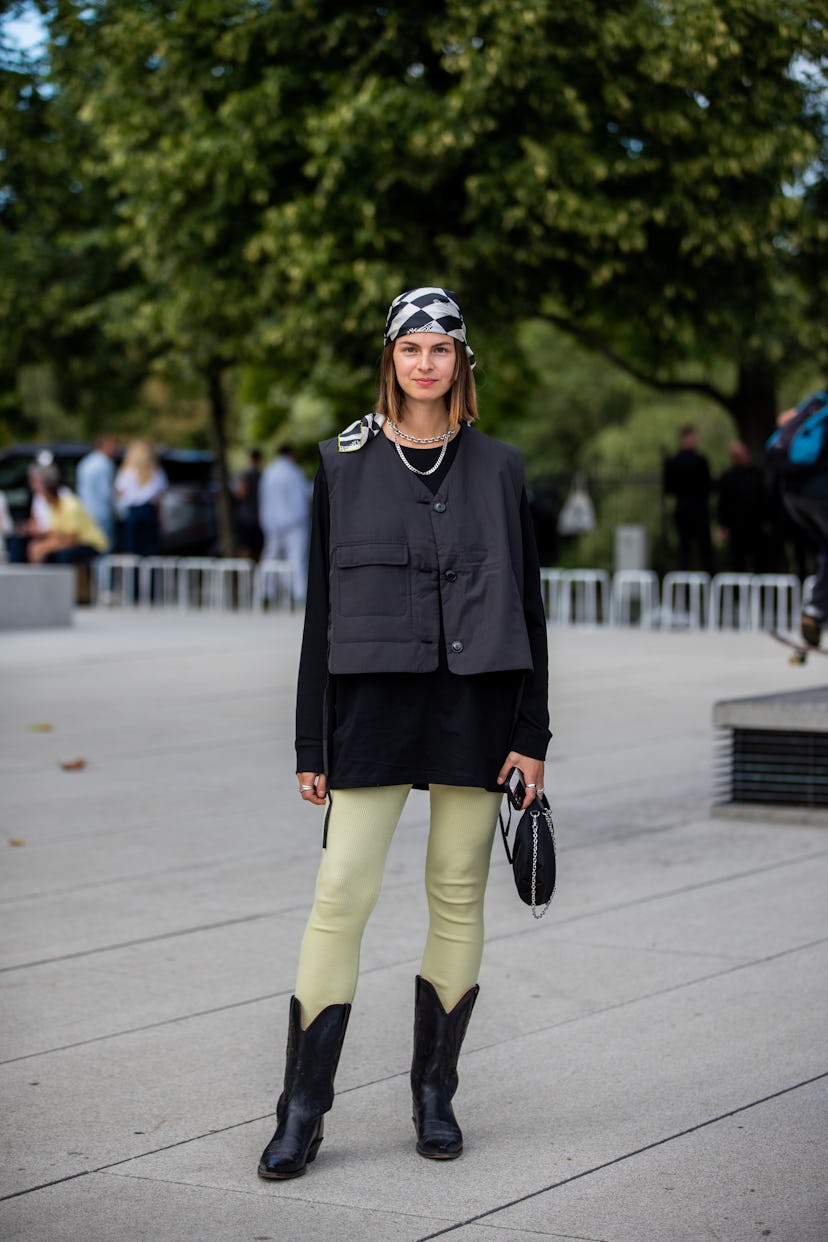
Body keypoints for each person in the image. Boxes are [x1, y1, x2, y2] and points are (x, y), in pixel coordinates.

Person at [257, 287, 550, 1181]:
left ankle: (435, 1095)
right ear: (389, 359)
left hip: (475, 703)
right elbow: (321, 609)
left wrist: (532, 736)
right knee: (340, 890)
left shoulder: (500, 467)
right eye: (410, 348)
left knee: (458, 886)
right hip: (371, 703)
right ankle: (301, 1109)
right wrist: (312, 742)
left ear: (464, 363)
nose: (426, 363)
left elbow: (530, 607)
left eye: (442, 349)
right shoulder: (342, 462)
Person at [774, 403, 828, 647]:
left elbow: (782, 420)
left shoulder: (813, 408)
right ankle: (816, 610)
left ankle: (815, 611)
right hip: (821, 495)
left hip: (793, 496)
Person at [23, 466, 108, 564]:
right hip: (74, 542)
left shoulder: (71, 506)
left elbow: (71, 540)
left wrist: (45, 547)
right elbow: (55, 534)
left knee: (63, 555)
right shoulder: (54, 507)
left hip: (91, 544)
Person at [258, 445, 311, 601]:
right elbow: (304, 496)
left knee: (270, 559)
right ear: (291, 454)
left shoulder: (269, 472)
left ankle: (265, 592)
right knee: (296, 560)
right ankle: (298, 594)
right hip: (295, 522)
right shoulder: (294, 472)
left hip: (272, 523)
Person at [663, 424, 715, 574]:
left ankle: (684, 590)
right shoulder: (699, 461)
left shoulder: (673, 462)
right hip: (696, 508)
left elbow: (668, 489)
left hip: (684, 508)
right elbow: (707, 486)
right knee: (701, 549)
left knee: (685, 550)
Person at [716, 441, 769, 573]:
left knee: (760, 561)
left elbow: (764, 499)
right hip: (736, 526)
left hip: (755, 525)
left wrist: (767, 520)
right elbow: (722, 502)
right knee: (737, 562)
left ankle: (760, 592)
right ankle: (737, 592)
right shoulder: (728, 477)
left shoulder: (757, 475)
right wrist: (723, 524)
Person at [114, 440, 168, 557]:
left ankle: (133, 575)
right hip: (149, 511)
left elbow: (118, 492)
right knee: (150, 550)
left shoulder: (126, 472)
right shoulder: (156, 472)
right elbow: (159, 497)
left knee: (131, 550)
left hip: (132, 512)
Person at [76, 434, 118, 551]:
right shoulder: (104, 464)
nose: (115, 449)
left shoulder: (85, 462)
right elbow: (106, 493)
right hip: (102, 514)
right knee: (105, 547)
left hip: (86, 512)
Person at [233, 448, 264, 560]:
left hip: (246, 518)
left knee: (245, 548)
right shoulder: (263, 476)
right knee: (258, 549)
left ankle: (246, 575)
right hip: (259, 517)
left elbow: (240, 494)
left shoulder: (245, 476)